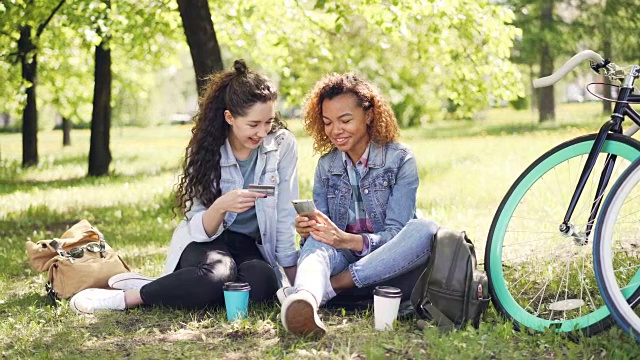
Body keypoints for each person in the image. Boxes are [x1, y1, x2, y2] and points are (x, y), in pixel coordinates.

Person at [70, 60, 300, 314]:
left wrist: (295, 279)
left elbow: (284, 214)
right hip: (206, 240)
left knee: (262, 282)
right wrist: (222, 206)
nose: (262, 132)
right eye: (253, 124)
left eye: (268, 122)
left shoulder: (281, 146)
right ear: (230, 117)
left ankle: (169, 285)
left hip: (248, 244)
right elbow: (198, 226)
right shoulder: (206, 150)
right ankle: (126, 298)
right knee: (217, 275)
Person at [279, 73, 438, 337]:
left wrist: (347, 240)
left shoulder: (400, 160)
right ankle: (305, 299)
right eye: (328, 122)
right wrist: (309, 229)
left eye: (345, 120)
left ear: (369, 115)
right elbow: (325, 236)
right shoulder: (327, 166)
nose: (335, 131)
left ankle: (328, 289)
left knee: (425, 229)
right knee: (317, 242)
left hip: (388, 261)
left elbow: (396, 236)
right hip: (342, 258)